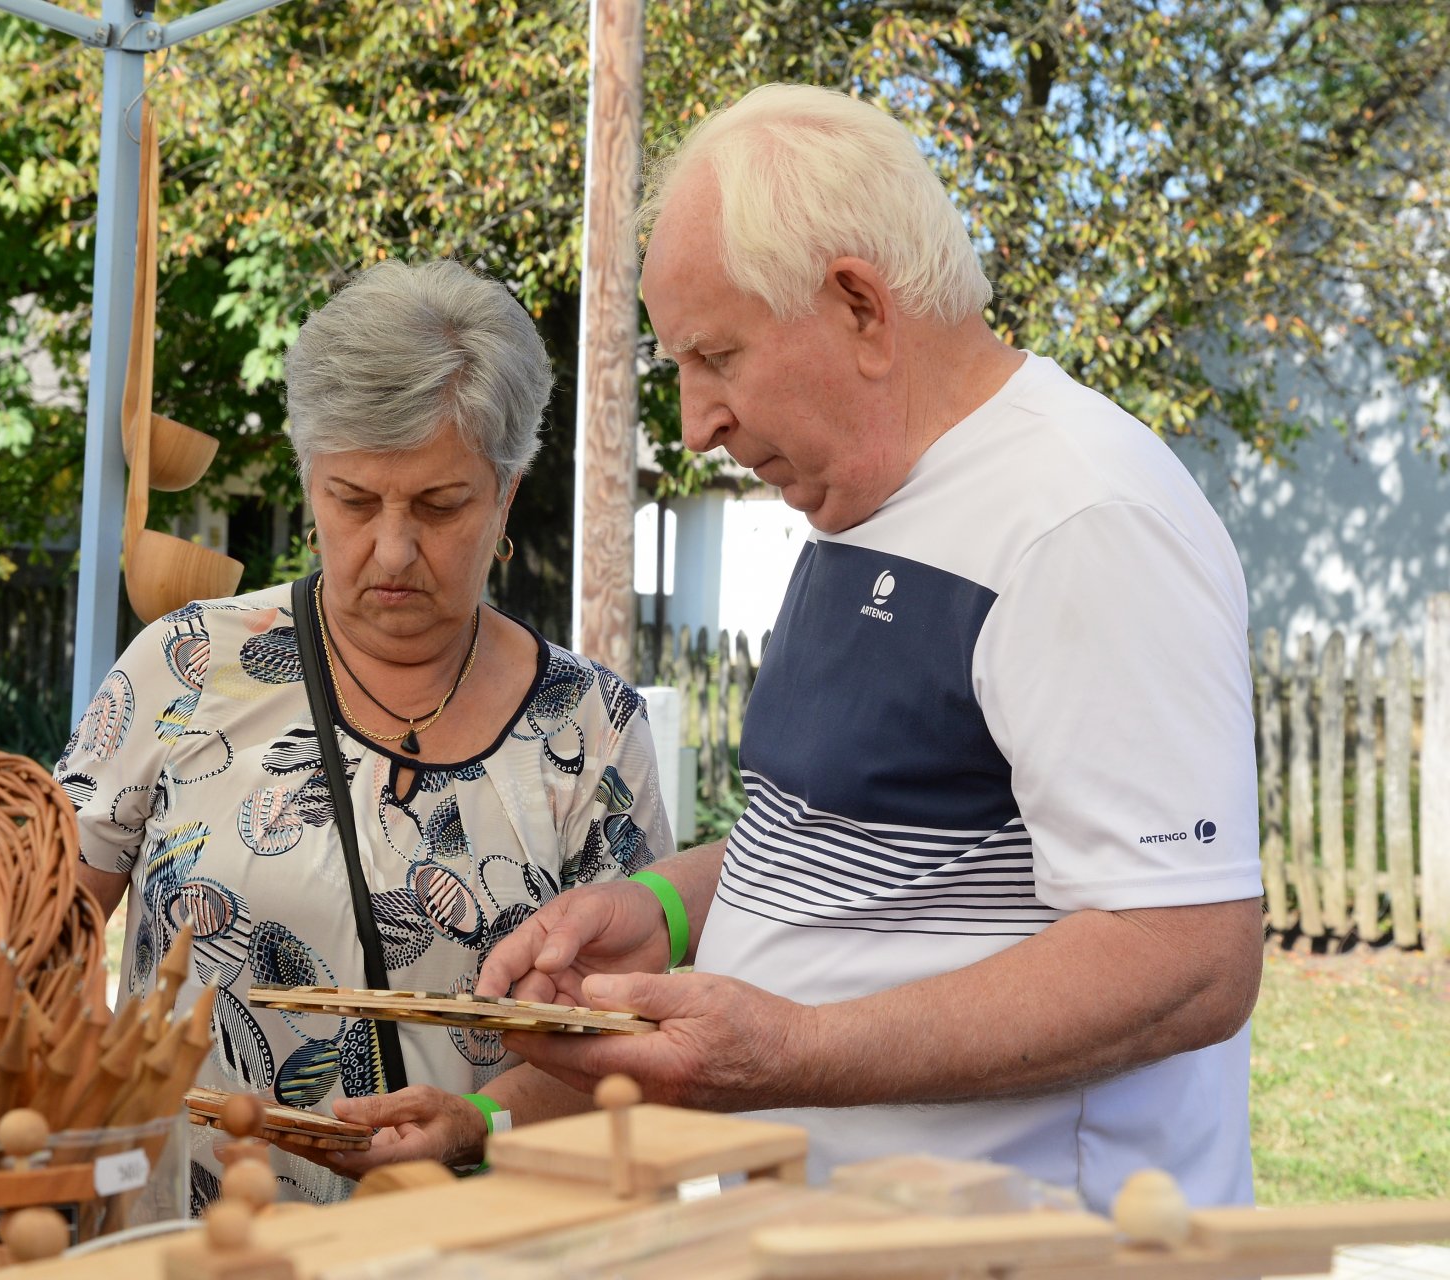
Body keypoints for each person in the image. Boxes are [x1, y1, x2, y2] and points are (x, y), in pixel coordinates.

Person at [477, 84, 1265, 1212]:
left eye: (717, 356)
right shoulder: (864, 499)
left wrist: (792, 1049)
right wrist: (663, 906)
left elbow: (1186, 955)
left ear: (860, 305)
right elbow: (854, 845)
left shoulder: (1081, 519)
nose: (696, 421)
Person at [56, 257, 672, 1207]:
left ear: (505, 496)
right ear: (309, 482)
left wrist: (480, 1124)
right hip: (192, 1250)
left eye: (439, 506)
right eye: (352, 501)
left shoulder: (589, 731)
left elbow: (625, 1048)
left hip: (471, 1251)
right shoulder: (185, 668)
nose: (391, 551)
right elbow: (38, 930)